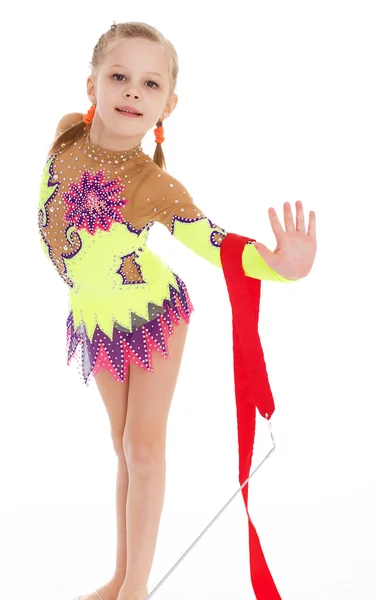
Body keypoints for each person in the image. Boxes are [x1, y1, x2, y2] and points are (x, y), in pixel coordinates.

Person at [37, 21, 317, 600]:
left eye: (149, 83)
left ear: (169, 103)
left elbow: (212, 242)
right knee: (121, 446)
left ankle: (136, 588)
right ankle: (120, 576)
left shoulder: (153, 185)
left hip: (152, 315)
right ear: (90, 85)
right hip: (97, 319)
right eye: (119, 76)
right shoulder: (66, 135)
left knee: (143, 447)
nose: (132, 92)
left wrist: (277, 266)